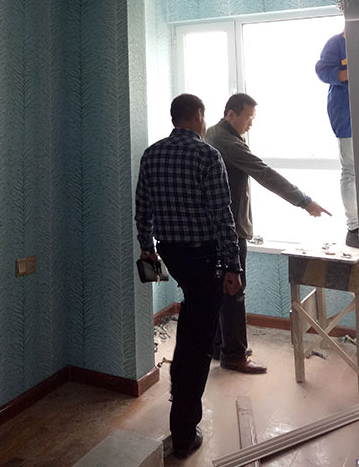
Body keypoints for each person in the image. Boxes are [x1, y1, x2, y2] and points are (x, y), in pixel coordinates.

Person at [135, 93, 242, 460]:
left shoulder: (152, 154)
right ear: (198, 115)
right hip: (204, 256)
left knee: (193, 324)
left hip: (171, 253)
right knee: (197, 341)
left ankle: (179, 391)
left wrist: (147, 248)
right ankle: (183, 431)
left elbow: (143, 209)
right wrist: (233, 266)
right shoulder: (207, 156)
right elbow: (222, 215)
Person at [205, 93, 329, 374]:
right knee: (234, 290)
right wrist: (304, 201)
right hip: (230, 228)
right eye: (248, 117)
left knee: (223, 289)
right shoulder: (227, 143)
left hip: (217, 227)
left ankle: (220, 346)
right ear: (231, 114)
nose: (251, 124)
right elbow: (265, 174)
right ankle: (234, 356)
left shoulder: (214, 134)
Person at [315, 0, 359, 248]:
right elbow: (322, 70)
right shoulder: (336, 43)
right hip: (346, 115)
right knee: (350, 170)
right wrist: (348, 74)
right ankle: (354, 226)